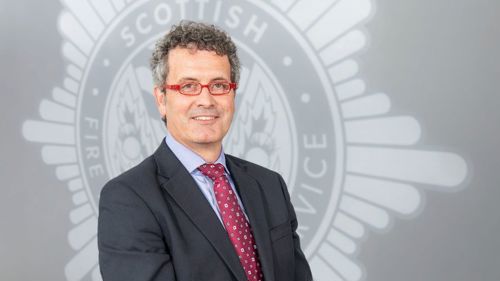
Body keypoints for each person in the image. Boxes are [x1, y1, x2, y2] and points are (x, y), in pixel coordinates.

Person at [98, 20, 313, 281]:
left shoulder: (269, 185)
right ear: (161, 99)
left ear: (233, 95)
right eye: (188, 86)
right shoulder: (128, 198)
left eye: (219, 85)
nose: (206, 100)